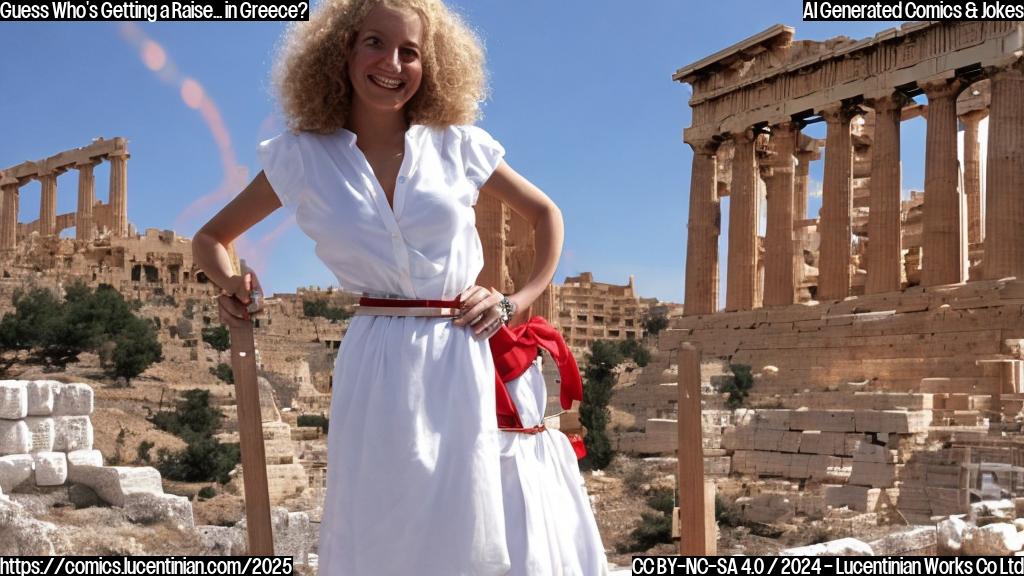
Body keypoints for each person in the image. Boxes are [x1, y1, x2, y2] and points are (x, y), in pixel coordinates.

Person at [193, 0, 604, 574]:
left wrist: (515, 299)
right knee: (381, 520)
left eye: (409, 51)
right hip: (376, 357)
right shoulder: (302, 157)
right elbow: (210, 238)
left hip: (462, 348)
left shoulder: (458, 144)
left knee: (469, 520)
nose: (392, 62)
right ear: (343, 49)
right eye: (375, 43)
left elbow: (547, 215)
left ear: (429, 63)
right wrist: (232, 279)